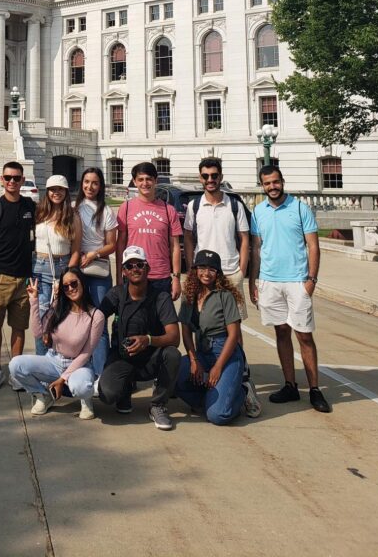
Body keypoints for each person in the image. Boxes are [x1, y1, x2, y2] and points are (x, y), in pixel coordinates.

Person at [250, 165, 331, 413]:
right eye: (267, 183)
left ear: (282, 181)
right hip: (270, 281)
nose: (272, 187)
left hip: (297, 281)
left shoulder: (299, 208)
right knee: (281, 332)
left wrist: (311, 280)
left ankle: (315, 389)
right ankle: (290, 385)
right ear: (262, 186)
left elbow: (313, 246)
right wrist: (253, 280)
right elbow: (256, 248)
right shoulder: (258, 211)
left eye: (275, 182)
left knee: (304, 335)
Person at [183, 156, 261, 413]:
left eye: (214, 175)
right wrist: (192, 265)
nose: (209, 180)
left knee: (233, 332)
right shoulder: (195, 205)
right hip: (202, 272)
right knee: (200, 324)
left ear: (220, 176)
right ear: (200, 178)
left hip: (228, 271)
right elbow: (188, 237)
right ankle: (204, 373)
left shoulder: (234, 204)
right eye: (205, 176)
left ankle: (243, 381)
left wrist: (241, 269)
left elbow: (244, 239)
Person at [98, 245, 181, 430]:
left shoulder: (161, 297)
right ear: (124, 272)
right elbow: (94, 319)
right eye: (129, 266)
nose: (135, 269)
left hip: (151, 359)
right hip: (122, 358)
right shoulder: (116, 294)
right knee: (107, 395)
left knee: (173, 354)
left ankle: (158, 405)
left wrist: (148, 340)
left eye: (139, 264)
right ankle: (124, 391)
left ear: (147, 268)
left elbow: (175, 337)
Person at [176, 250, 261, 423]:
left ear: (218, 273)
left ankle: (243, 391)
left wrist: (218, 367)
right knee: (173, 376)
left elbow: (233, 335)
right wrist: (193, 361)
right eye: (202, 268)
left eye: (212, 270)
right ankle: (211, 400)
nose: (206, 274)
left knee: (218, 415)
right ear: (195, 269)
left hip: (226, 354)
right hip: (202, 353)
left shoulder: (225, 296)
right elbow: (185, 331)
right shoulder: (189, 295)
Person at [9, 268, 104, 420]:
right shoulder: (58, 307)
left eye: (73, 283)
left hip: (79, 365)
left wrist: (62, 379)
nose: (70, 289)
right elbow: (38, 333)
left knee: (82, 388)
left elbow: (86, 353)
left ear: (83, 283)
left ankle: (85, 400)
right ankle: (43, 395)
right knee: (15, 365)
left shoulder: (96, 316)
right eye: (65, 286)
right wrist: (34, 301)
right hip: (53, 360)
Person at [0, 160, 36, 391]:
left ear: (23, 180)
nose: (12, 181)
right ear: (1, 180)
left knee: (19, 326)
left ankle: (15, 370)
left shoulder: (30, 206)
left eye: (16, 178)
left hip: (23, 277)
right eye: (8, 178)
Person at [116, 161, 182, 300]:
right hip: (134, 274)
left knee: (161, 321)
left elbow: (175, 246)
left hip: (161, 277)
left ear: (155, 180)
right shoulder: (126, 208)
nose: (145, 183)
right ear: (134, 181)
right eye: (140, 179)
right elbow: (120, 244)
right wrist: (119, 276)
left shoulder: (168, 210)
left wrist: (176, 277)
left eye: (148, 179)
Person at [74, 166, 117, 376]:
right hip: (77, 270)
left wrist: (93, 254)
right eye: (87, 182)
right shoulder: (74, 207)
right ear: (82, 183)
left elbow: (112, 245)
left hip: (98, 271)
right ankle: (80, 370)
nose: (90, 186)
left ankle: (102, 375)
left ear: (100, 186)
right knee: (77, 323)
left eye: (95, 183)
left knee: (99, 324)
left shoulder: (106, 211)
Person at [32, 174, 81, 354]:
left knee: (58, 318)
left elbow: (76, 250)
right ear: (47, 191)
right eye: (52, 189)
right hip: (38, 267)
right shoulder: (39, 213)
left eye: (60, 189)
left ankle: (57, 360)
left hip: (62, 268)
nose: (56, 193)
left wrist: (68, 275)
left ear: (66, 192)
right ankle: (41, 361)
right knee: (40, 318)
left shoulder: (73, 216)